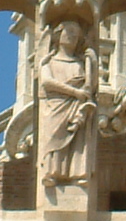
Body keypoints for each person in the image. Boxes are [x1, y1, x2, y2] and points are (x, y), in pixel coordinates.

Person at [38, 18, 98, 187]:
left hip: (76, 107)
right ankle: (53, 172)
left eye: (76, 35)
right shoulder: (49, 61)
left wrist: (93, 62)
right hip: (56, 106)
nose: (72, 36)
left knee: (78, 140)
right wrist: (75, 92)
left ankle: (76, 173)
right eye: (69, 31)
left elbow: (90, 87)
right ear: (58, 35)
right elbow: (47, 82)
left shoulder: (80, 63)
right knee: (54, 141)